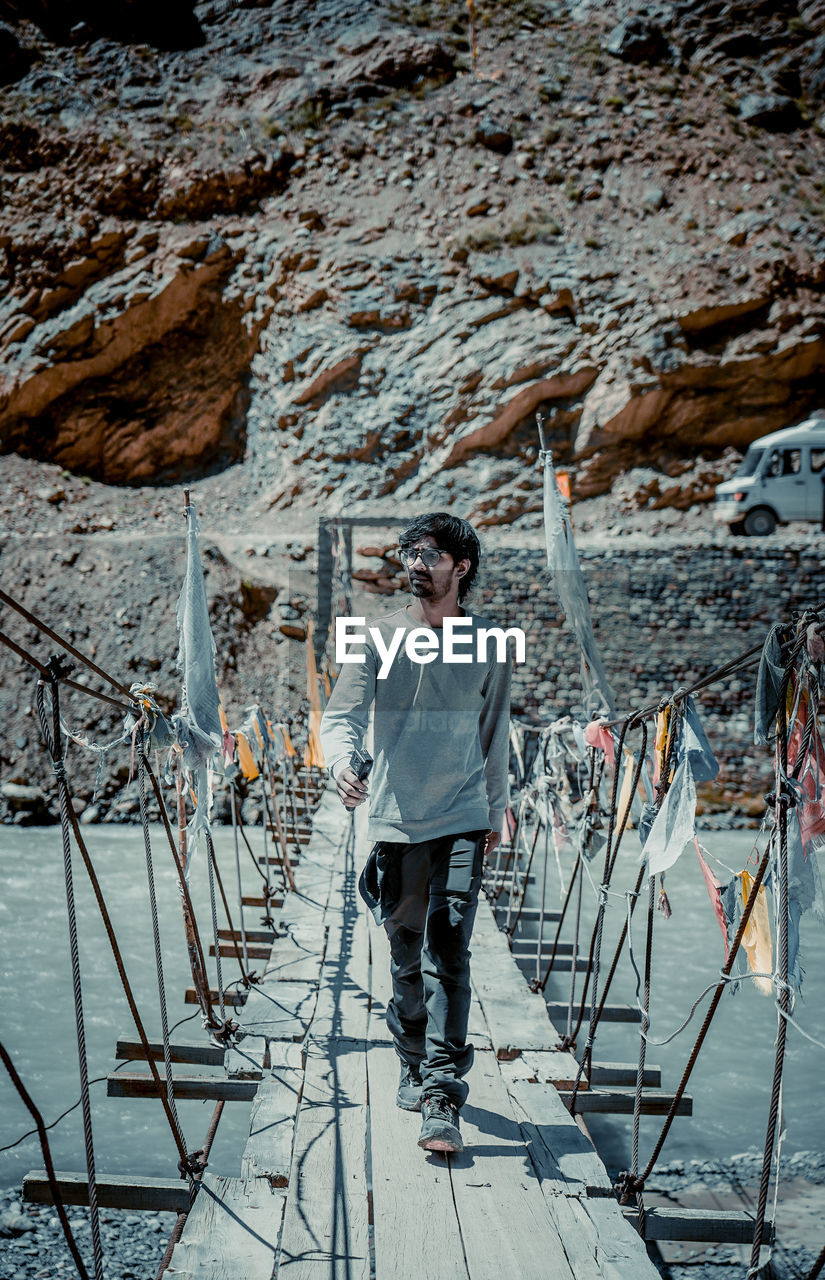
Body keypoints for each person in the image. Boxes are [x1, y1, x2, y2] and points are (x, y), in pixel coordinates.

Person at [319, 513, 512, 1154]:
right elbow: (341, 716)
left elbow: (494, 734)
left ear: (461, 567)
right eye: (409, 552)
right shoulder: (375, 638)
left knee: (449, 950)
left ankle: (439, 1091)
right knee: (405, 954)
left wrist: (496, 808)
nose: (416, 562)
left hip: (461, 815)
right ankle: (411, 1056)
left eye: (430, 553)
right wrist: (343, 764)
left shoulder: (489, 643)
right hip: (396, 817)